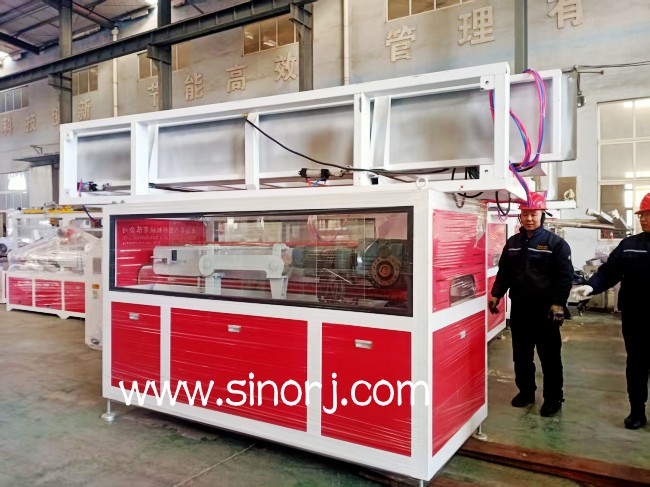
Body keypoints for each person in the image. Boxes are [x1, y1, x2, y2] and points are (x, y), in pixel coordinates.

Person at [489, 192, 573, 417]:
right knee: (521, 355)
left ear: (542, 215)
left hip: (546, 311)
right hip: (520, 309)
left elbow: (565, 277)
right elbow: (504, 272)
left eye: (533, 214)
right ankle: (526, 392)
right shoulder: (513, 243)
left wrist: (558, 304)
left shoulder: (556, 244)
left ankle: (553, 398)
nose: (529, 218)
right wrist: (496, 294)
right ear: (520, 215)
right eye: (525, 214)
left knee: (550, 357)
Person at [575, 192, 650, 429]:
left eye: (648, 215)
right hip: (635, 317)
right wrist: (591, 286)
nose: (643, 219)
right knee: (636, 365)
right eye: (641, 215)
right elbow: (609, 271)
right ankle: (637, 411)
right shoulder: (629, 246)